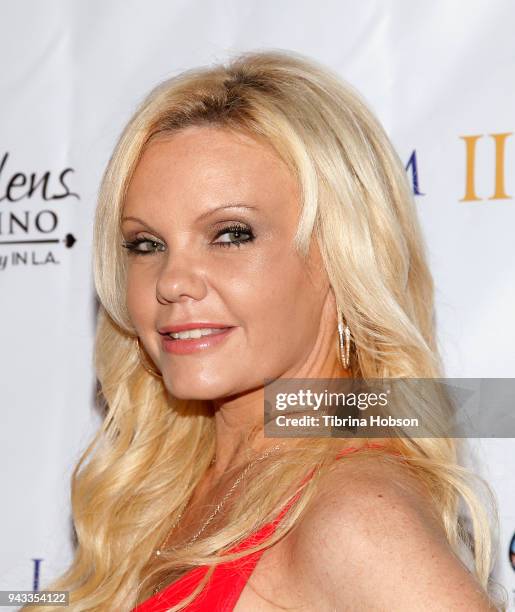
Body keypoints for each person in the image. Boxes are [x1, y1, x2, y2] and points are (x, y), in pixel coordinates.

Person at [31, 49, 506, 611]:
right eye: (146, 244)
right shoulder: (168, 492)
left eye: (232, 235)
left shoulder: (354, 515)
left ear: (341, 257)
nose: (173, 281)